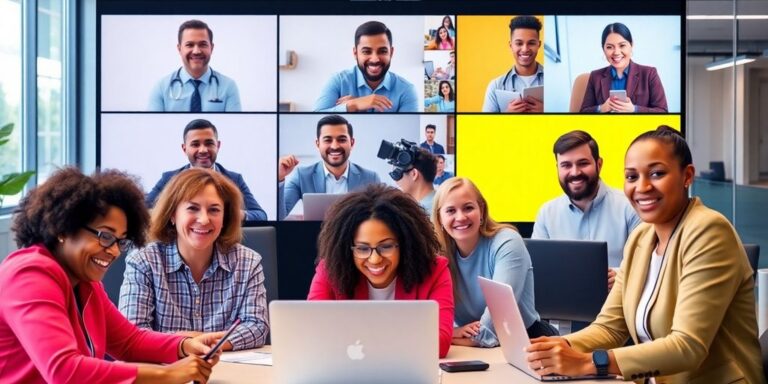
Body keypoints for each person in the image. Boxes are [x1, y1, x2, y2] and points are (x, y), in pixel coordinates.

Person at [526, 126, 764, 384]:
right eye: (631, 177)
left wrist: (587, 362)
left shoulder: (708, 231)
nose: (643, 187)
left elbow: (687, 346)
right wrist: (554, 347)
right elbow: (610, 327)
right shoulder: (641, 239)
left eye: (657, 173)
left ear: (687, 176)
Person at [0, 167, 223, 383]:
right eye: (105, 236)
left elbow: (128, 342)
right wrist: (167, 376)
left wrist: (184, 345)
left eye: (120, 241)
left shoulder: (85, 282)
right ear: (63, 229)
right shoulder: (29, 274)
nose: (115, 251)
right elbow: (64, 371)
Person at [120, 168, 269, 351]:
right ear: (173, 214)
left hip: (230, 370)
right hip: (166, 373)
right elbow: (133, 333)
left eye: (214, 210)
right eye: (192, 208)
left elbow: (257, 327)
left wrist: (202, 342)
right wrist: (186, 344)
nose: (204, 219)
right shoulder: (144, 261)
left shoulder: (248, 262)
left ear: (225, 218)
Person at [307, 184, 454, 358]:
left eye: (386, 246)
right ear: (348, 248)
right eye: (362, 249)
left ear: (405, 243)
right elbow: (314, 333)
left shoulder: (434, 270)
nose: (375, 259)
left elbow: (440, 343)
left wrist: (354, 339)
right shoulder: (330, 269)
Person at [432, 177, 556, 348]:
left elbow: (496, 319)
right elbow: (429, 321)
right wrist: (452, 333)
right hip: (466, 345)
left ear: (481, 210)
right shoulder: (437, 254)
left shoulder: (507, 242)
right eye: (450, 211)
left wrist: (448, 337)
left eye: (468, 208)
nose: (460, 217)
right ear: (439, 219)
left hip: (526, 343)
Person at [532, 130, 640, 289]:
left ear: (599, 164)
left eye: (583, 163)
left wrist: (621, 275)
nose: (575, 172)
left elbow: (648, 263)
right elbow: (537, 270)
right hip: (562, 309)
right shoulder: (547, 213)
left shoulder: (630, 207)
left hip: (618, 305)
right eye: (566, 165)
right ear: (557, 168)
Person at [146, 118, 267, 221]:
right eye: (195, 144)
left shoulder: (234, 179)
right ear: (184, 148)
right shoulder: (169, 179)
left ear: (218, 146)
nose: (203, 150)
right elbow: (143, 212)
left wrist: (232, 214)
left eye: (209, 143)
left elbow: (261, 215)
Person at [278, 115, 381, 220]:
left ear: (352, 143)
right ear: (318, 144)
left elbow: (382, 217)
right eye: (328, 140)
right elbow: (280, 216)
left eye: (342, 139)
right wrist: (280, 178)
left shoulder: (371, 178)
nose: (335, 146)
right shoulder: (301, 176)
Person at [314, 21, 418, 112]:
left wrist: (350, 106)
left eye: (382, 51)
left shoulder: (406, 90)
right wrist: (354, 104)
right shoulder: (338, 81)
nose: (375, 59)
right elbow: (316, 117)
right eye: (366, 51)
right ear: (355, 53)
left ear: (391, 53)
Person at [148, 19, 241, 112]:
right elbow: (153, 125)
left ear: (211, 48)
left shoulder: (228, 87)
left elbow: (234, 126)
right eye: (190, 45)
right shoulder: (161, 87)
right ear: (179, 49)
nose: (196, 51)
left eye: (203, 44)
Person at [580, 22, 668, 113]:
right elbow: (583, 112)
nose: (616, 52)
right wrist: (601, 108)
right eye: (609, 47)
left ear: (631, 45)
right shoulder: (595, 76)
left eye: (622, 45)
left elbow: (663, 111)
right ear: (603, 49)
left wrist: (634, 109)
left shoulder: (650, 74)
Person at [483, 16, 544, 113]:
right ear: (511, 45)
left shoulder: (555, 81)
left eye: (531, 43)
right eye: (519, 43)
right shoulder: (495, 86)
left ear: (539, 45)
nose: (525, 49)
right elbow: (485, 125)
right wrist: (507, 114)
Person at [392, 147, 437, 212]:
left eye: (397, 174)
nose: (396, 181)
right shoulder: (440, 202)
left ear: (414, 174)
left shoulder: (423, 213)